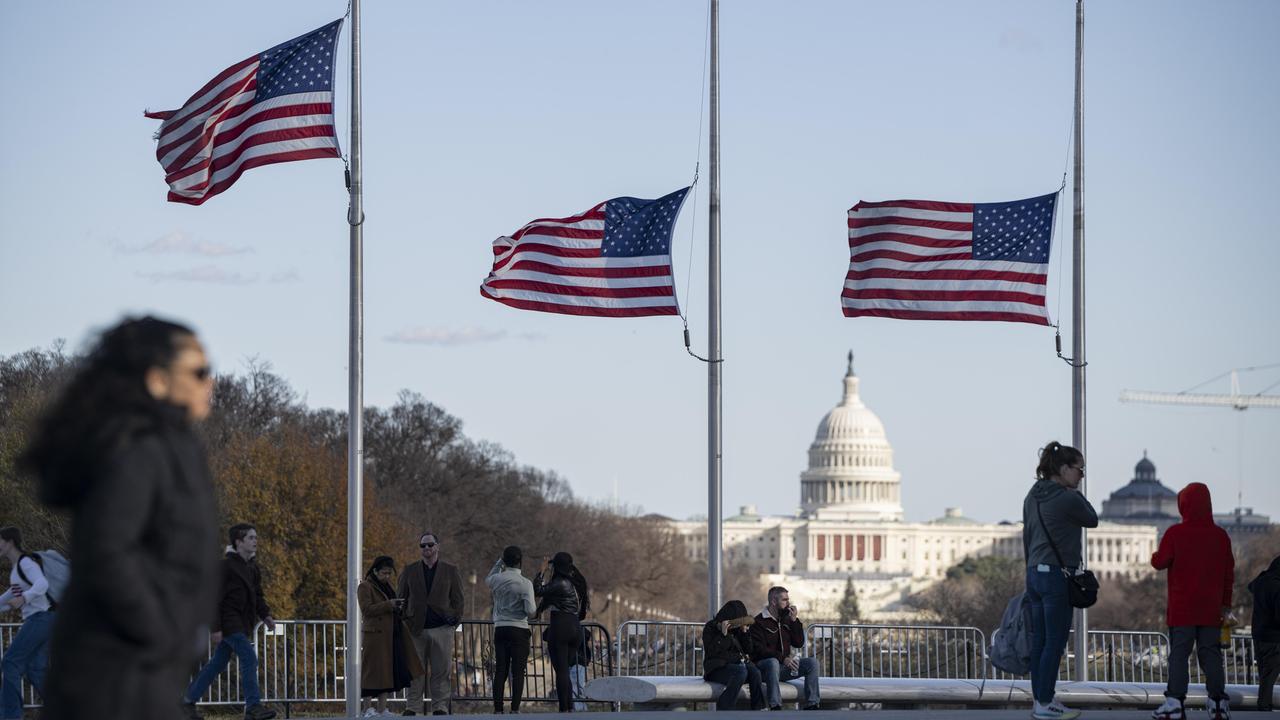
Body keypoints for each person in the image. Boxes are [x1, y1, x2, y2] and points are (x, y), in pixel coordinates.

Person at [19, 316, 221, 720]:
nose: (210, 382)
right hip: (115, 673)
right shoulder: (136, 448)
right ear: (158, 380)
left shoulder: (169, 444)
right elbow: (106, 550)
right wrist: (160, 630)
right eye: (199, 371)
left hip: (139, 667)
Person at [1022, 441, 1097, 720]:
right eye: (1079, 469)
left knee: (1040, 642)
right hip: (1056, 575)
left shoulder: (1032, 495)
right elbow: (1092, 519)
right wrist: (1075, 492)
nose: (1081, 476)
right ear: (1063, 469)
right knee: (1055, 643)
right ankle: (1045, 702)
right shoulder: (1067, 497)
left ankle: (1040, 701)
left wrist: (1031, 569)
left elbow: (1027, 537)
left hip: (1034, 572)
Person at [1149, 483, 1235, 720]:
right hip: (1211, 609)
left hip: (1182, 609)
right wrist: (1225, 605)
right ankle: (1218, 703)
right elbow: (1229, 575)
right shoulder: (1221, 536)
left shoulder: (1175, 533)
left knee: (1179, 654)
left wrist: (1155, 555)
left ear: (1183, 506)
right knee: (1211, 655)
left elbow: (1160, 562)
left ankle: (1175, 702)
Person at [181, 523, 277, 720]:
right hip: (229, 622)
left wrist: (265, 615)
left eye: (255, 537)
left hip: (242, 622)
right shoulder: (224, 567)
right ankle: (253, 707)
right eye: (250, 538)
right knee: (249, 658)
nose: (255, 541)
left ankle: (187, 702)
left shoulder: (252, 567)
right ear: (238, 542)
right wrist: (215, 627)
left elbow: (257, 595)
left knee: (217, 663)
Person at [398, 531, 464, 716]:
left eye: (430, 544)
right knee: (415, 671)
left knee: (441, 671)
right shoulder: (409, 570)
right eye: (423, 545)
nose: (426, 548)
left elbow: (458, 600)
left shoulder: (451, 570)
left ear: (437, 546)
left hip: (442, 629)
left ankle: (440, 707)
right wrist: (405, 619)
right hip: (416, 629)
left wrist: (453, 621)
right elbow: (401, 597)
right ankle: (413, 707)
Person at [359, 556, 424, 717]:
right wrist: (390, 604)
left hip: (390, 635)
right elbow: (366, 609)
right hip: (375, 636)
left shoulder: (386, 586)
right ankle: (367, 709)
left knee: (386, 673)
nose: (387, 576)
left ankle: (382, 709)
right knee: (371, 673)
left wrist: (398, 607)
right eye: (384, 573)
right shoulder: (365, 586)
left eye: (389, 573)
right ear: (375, 571)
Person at [0, 528, 52, 720]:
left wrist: (24, 598)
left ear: (9, 542)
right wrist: (20, 599)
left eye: (0, 541)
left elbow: (42, 583)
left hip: (40, 618)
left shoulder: (26, 563)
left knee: (10, 662)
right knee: (35, 670)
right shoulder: (16, 571)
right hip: (42, 620)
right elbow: (6, 600)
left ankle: (10, 716)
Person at [534, 552, 589, 712]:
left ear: (556, 566)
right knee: (564, 669)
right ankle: (570, 706)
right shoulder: (575, 583)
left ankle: (564, 709)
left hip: (561, 626)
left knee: (561, 670)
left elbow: (538, 590)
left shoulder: (560, 582)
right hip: (575, 628)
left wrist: (542, 571)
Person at [749, 586, 820, 710]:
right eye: (784, 600)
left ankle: (812, 704)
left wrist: (794, 621)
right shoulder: (758, 622)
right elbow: (759, 650)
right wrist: (782, 658)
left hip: (783, 667)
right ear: (773, 602)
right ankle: (775, 705)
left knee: (812, 663)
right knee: (773, 662)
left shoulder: (787, 620)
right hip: (765, 669)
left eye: (788, 600)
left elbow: (798, 643)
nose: (788, 603)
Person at [486, 545, 535, 714]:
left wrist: (500, 562)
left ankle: (498, 709)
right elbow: (530, 611)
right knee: (518, 671)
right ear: (520, 561)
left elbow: (488, 578)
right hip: (519, 629)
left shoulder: (496, 580)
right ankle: (514, 709)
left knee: (501, 670)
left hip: (500, 628)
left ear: (504, 561)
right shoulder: (526, 584)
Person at [702, 600, 765, 711]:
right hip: (716, 670)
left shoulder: (737, 630)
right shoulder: (710, 628)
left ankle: (758, 708)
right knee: (741, 672)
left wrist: (745, 633)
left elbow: (749, 650)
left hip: (736, 666)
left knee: (755, 672)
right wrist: (723, 635)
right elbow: (713, 653)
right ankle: (724, 706)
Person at [1249, 555, 1280, 712]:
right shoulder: (1277, 586)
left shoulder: (1261, 582)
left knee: (1264, 672)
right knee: (1270, 672)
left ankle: (1264, 704)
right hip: (1274, 636)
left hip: (1258, 634)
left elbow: (1250, 586)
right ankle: (1264, 705)